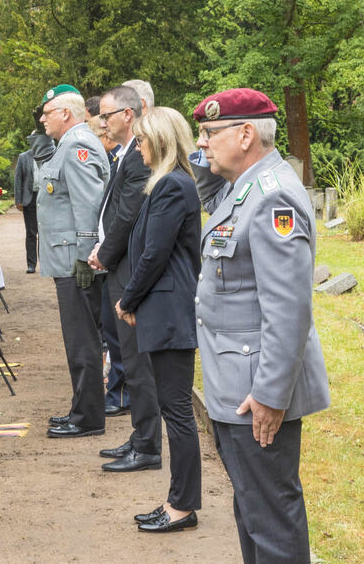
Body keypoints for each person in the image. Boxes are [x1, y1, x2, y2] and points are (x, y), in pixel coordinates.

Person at [189, 88, 331, 562]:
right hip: (238, 385)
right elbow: (209, 189)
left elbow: (288, 310)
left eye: (208, 133)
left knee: (270, 519)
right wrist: (206, 147)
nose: (201, 143)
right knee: (253, 511)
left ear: (246, 134)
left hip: (256, 393)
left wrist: (271, 394)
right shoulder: (243, 185)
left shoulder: (273, 198)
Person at [115, 107, 202, 533]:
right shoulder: (171, 183)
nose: (138, 149)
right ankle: (177, 500)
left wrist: (128, 299)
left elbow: (155, 254)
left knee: (177, 411)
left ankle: (182, 507)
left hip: (168, 313)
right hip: (165, 310)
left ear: (161, 141)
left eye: (142, 140)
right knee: (174, 408)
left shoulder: (171, 185)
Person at [88, 85, 161, 472]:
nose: (102, 122)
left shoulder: (138, 156)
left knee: (137, 359)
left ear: (128, 114)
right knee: (128, 358)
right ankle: (139, 436)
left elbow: (128, 214)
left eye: (107, 115)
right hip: (120, 266)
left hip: (128, 267)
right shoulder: (126, 153)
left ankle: (148, 445)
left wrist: (104, 252)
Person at [35, 84, 110, 438]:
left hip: (75, 261)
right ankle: (81, 408)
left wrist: (84, 257)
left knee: (82, 340)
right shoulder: (68, 144)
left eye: (47, 113)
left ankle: (88, 418)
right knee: (78, 338)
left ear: (65, 113)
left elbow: (87, 206)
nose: (42, 119)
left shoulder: (78, 145)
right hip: (68, 258)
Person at [91, 115, 129, 415]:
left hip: (118, 259)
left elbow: (124, 215)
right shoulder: (118, 158)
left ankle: (122, 393)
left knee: (119, 333)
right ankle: (118, 390)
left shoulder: (127, 158)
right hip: (110, 257)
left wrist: (105, 251)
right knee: (111, 328)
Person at [14, 146, 39, 274]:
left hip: (46, 199)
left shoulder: (50, 154)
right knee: (31, 233)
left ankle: (47, 264)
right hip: (30, 199)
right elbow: (18, 179)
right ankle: (31, 264)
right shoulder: (23, 157)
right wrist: (18, 200)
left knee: (46, 233)